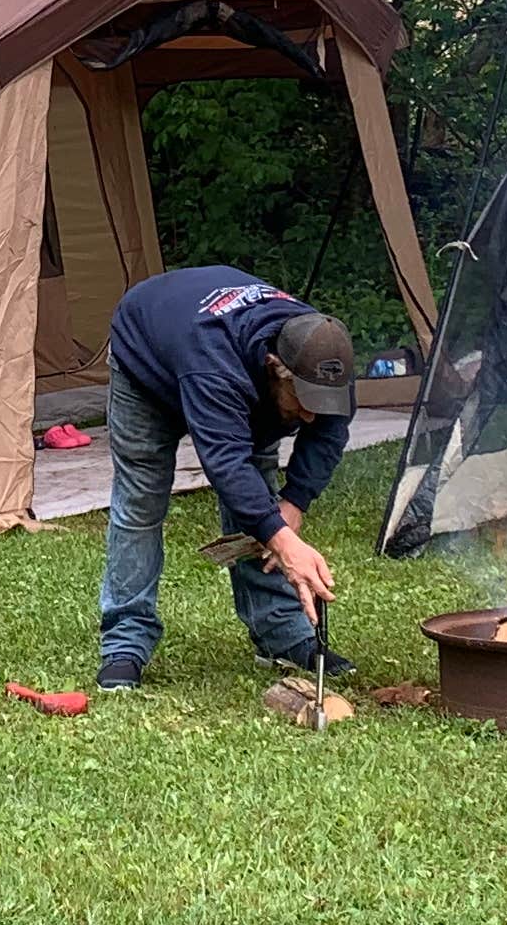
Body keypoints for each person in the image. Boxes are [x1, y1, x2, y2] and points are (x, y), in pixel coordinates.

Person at [95, 264, 361, 691]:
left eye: (321, 401)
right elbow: (225, 463)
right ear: (275, 366)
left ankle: (281, 635)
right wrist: (283, 541)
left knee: (263, 504)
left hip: (229, 370)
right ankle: (125, 641)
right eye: (303, 401)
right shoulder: (214, 367)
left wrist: (293, 503)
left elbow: (328, 431)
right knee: (142, 499)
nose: (310, 413)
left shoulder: (323, 355)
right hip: (147, 356)